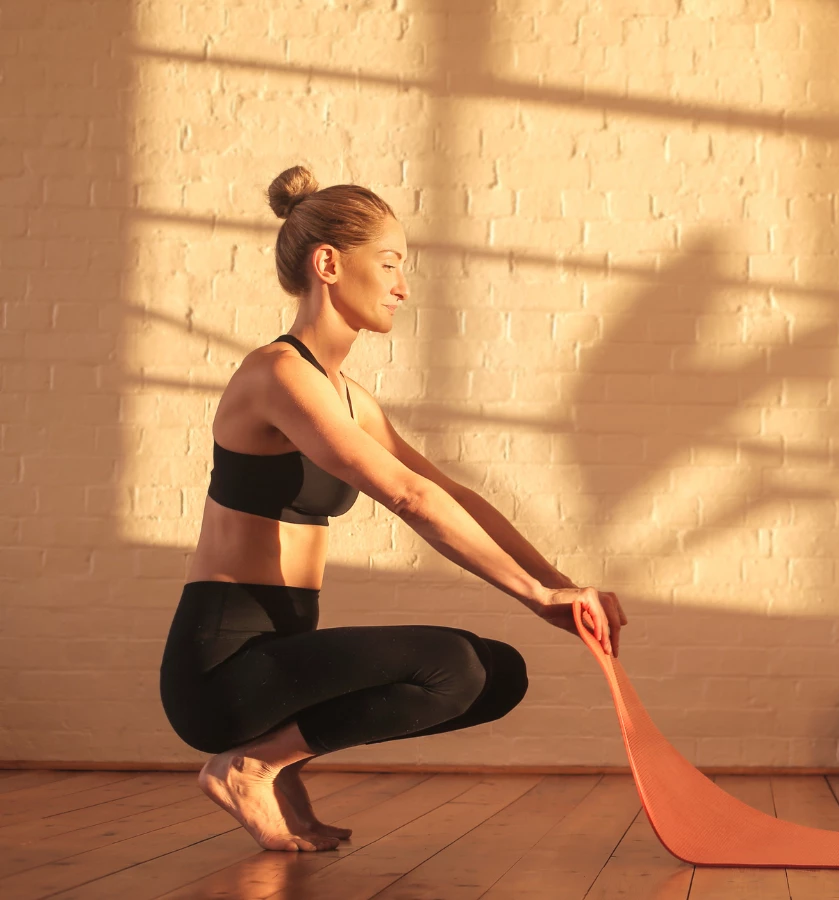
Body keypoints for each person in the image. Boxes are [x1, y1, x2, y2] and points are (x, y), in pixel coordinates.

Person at [158, 165, 626, 852]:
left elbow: (457, 495)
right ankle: (253, 764)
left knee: (499, 674)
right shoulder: (276, 374)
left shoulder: (350, 401)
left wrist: (553, 589)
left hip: (282, 662)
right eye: (389, 263)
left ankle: (274, 764)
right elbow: (408, 496)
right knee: (452, 666)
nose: (403, 285)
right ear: (328, 263)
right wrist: (532, 592)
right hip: (224, 667)